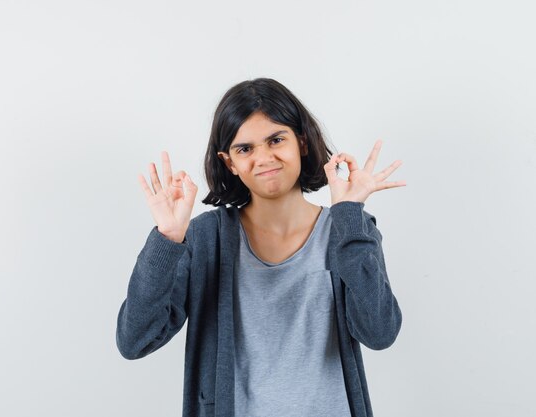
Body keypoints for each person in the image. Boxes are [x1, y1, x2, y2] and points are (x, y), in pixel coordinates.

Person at [116, 78, 405, 417]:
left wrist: (349, 214)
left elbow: (380, 331)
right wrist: (167, 239)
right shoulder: (206, 237)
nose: (264, 157)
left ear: (301, 142)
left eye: (276, 140)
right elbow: (135, 340)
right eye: (245, 149)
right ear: (230, 163)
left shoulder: (347, 230)